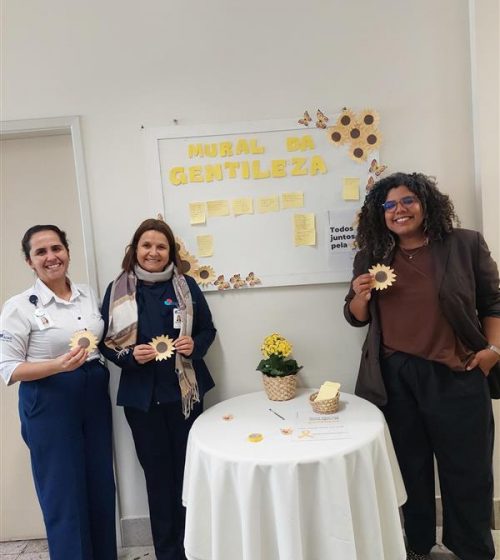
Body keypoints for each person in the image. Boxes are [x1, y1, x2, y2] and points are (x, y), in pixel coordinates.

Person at [344, 172, 500, 560]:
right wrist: (360, 297)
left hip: (458, 372)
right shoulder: (371, 255)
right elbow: (356, 317)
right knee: (408, 469)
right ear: (380, 213)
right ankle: (417, 546)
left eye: (408, 201)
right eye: (390, 205)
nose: (399, 210)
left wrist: (493, 350)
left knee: (468, 470)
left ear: (426, 203)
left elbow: (493, 303)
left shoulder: (464, 244)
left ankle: (472, 549)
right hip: (395, 378)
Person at [100, 217, 216, 560]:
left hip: (185, 397)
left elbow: (207, 330)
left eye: (161, 246)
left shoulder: (186, 286)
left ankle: (194, 549)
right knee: (158, 479)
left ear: (171, 252)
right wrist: (129, 356)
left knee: (189, 476)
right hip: (143, 402)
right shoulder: (117, 289)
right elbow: (105, 343)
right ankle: (168, 553)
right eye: (146, 245)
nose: (153, 252)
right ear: (135, 249)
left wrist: (195, 346)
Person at [0, 225, 117, 560]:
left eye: (56, 248)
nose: (51, 257)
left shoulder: (87, 294)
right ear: (29, 261)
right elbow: (9, 368)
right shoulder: (19, 307)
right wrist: (57, 366)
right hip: (50, 397)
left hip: (93, 392)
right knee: (63, 491)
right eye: (41, 252)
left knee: (99, 483)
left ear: (67, 251)